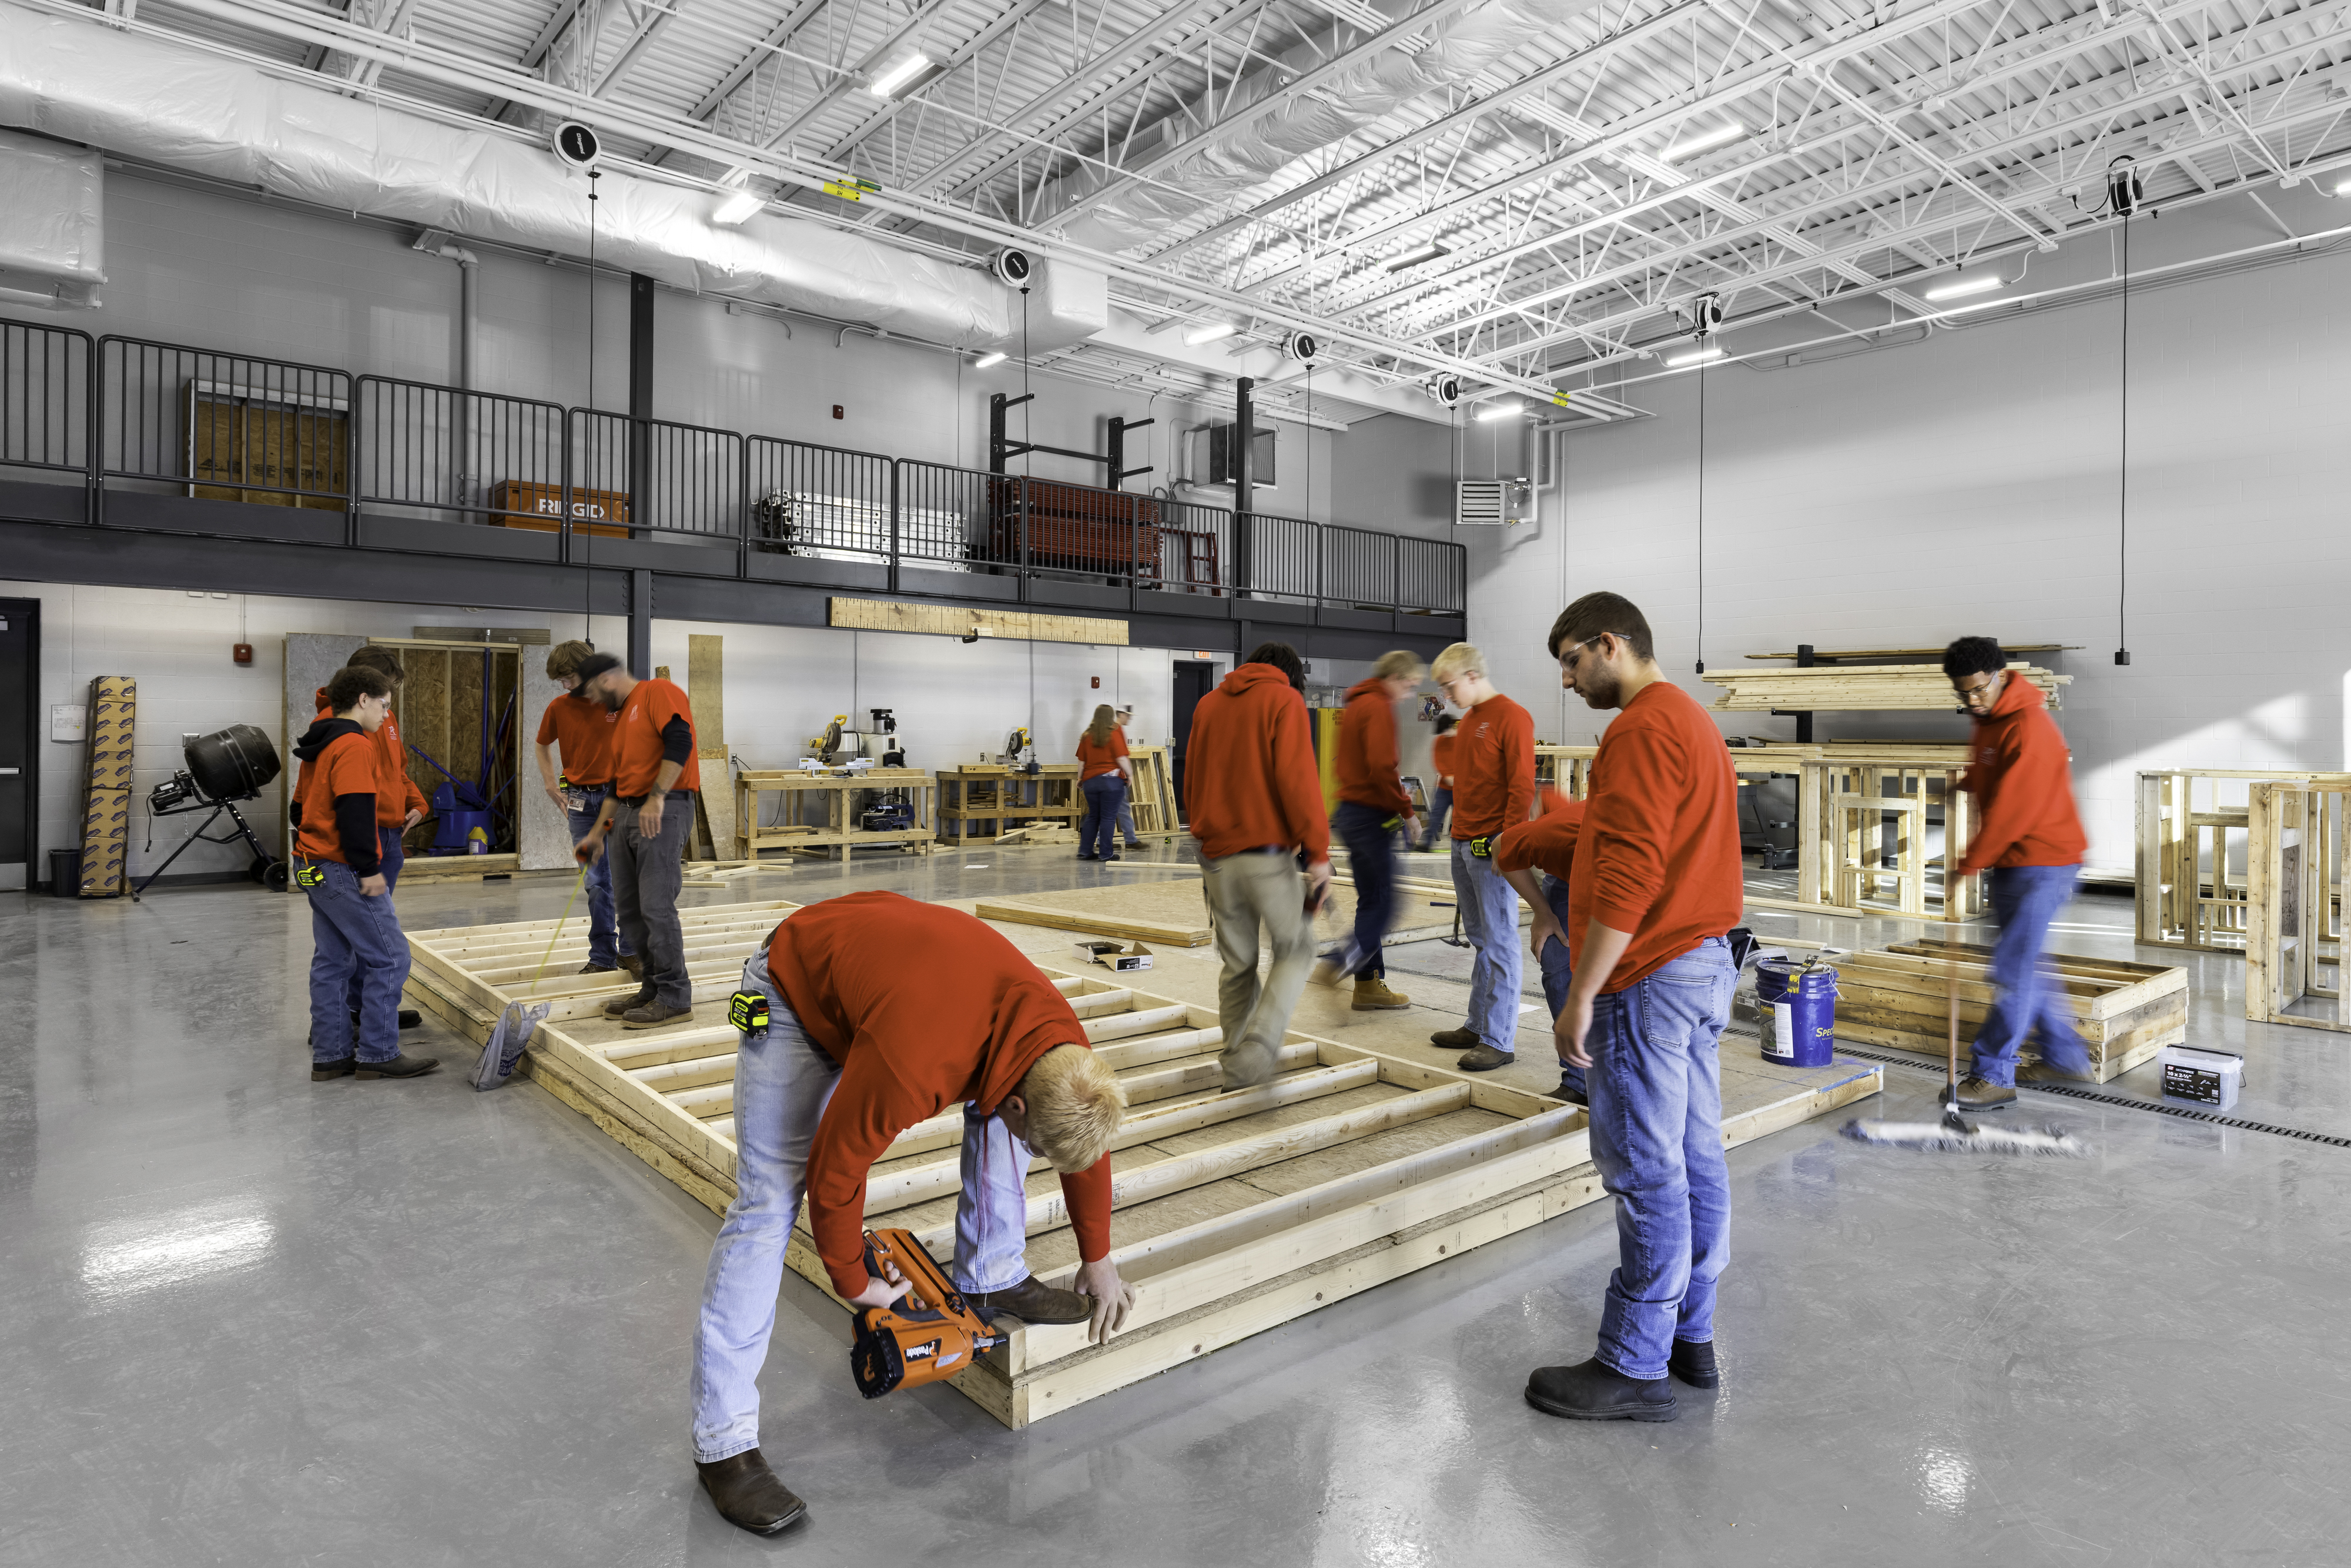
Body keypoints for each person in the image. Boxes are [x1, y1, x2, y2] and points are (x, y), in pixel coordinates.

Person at [692, 893, 1134, 1535]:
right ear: (1016, 1104)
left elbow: (1079, 1141)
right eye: (1033, 1141)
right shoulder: (917, 1061)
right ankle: (723, 1446)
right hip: (794, 992)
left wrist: (1098, 1257)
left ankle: (992, 1270)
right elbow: (836, 1167)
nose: (1038, 1150)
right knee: (768, 1201)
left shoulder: (1058, 1051)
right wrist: (854, 1280)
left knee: (1013, 1115)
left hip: (897, 981)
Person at [1524, 592, 1742, 1424]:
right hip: (1700, 962)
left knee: (1646, 1170)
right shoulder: (1689, 720)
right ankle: (1691, 1333)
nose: (1570, 682)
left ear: (1610, 645)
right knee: (1694, 1157)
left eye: (1574, 662)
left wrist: (1581, 990)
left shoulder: (1642, 729)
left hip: (1649, 973)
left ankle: (1634, 1363)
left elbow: (1629, 873)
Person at [1941, 636, 2095, 1109]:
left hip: (2044, 862)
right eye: (1962, 693)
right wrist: (1964, 786)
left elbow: (2012, 812)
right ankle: (2066, 1057)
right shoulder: (1989, 718)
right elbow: (1992, 769)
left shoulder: (2029, 727)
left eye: (1979, 690)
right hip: (2016, 862)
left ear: (2002, 676)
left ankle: (1993, 1076)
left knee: (2013, 968)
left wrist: (1966, 865)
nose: (1971, 700)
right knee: (2028, 963)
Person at [1184, 642, 1332, 1088]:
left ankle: (1236, 1064)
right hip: (1264, 854)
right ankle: (1260, 1045)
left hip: (1214, 855)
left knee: (1239, 964)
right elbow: (1299, 780)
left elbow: (1190, 780)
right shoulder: (1283, 700)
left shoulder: (1208, 704)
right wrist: (1319, 855)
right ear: (1291, 677)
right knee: (1298, 948)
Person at [289, 665, 437, 1082]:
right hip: (342, 867)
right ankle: (378, 1053)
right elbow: (355, 810)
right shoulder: (355, 744)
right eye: (385, 706)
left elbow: (300, 806)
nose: (386, 716)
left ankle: (332, 1055)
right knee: (390, 957)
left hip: (312, 865)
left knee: (333, 960)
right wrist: (369, 869)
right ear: (364, 700)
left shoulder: (323, 738)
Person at [572, 653, 699, 1031]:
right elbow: (616, 783)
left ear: (608, 678)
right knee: (629, 910)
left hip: (663, 808)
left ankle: (675, 997)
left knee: (657, 906)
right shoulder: (622, 720)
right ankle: (652, 988)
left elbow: (681, 741)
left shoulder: (657, 692)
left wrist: (657, 796)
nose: (593, 700)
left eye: (592, 691)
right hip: (627, 812)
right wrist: (595, 835)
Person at [1427, 643, 1536, 1073]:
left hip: (1489, 845)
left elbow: (1521, 786)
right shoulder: (1470, 718)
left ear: (1472, 675)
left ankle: (1499, 1038)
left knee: (1500, 940)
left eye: (1449, 685)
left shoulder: (1512, 717)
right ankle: (1478, 1025)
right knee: (1479, 938)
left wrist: (1505, 842)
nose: (1447, 695)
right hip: (1462, 840)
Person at [310, 646, 428, 1034]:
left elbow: (397, 770)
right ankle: (340, 1023)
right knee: (355, 938)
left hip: (390, 833)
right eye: (384, 694)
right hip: (362, 838)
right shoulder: (337, 722)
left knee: (369, 933)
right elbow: (325, 791)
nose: (388, 704)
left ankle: (363, 1010)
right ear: (365, 692)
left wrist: (414, 802)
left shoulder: (384, 719)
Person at [1312, 651, 1423, 1010]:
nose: (1408, 694)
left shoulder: (1358, 704)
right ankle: (1339, 961)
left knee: (1372, 900)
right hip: (1370, 815)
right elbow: (1381, 766)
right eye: (1409, 686)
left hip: (1351, 813)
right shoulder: (1377, 706)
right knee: (1387, 903)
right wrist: (1408, 812)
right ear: (1394, 677)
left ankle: (1368, 987)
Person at [535, 639, 636, 979]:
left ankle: (633, 951)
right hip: (579, 801)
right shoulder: (559, 707)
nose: (565, 685)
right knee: (595, 882)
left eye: (568, 677)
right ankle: (603, 956)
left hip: (618, 799)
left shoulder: (615, 704)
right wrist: (551, 783)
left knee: (624, 876)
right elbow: (542, 744)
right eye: (560, 680)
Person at [1493, 790, 1589, 1104]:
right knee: (1558, 962)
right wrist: (1542, 912)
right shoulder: (1560, 835)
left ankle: (1613, 1081)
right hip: (1568, 875)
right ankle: (1579, 1082)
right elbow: (1500, 847)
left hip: (1634, 881)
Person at [1074, 703, 1131, 862]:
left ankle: (1085, 852)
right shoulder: (1113, 734)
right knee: (1108, 818)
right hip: (1111, 782)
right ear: (1111, 717)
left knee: (1094, 816)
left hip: (1090, 782)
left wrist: (1080, 779)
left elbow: (1082, 761)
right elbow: (1121, 758)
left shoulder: (1087, 735)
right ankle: (1106, 854)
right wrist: (1130, 775)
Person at [1419, 713, 1458, 851]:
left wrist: (1456, 777)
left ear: (1451, 726)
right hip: (1443, 788)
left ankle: (1461, 846)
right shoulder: (1439, 741)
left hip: (1460, 789)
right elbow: (1437, 760)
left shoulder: (1461, 740)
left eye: (1446, 731)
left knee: (1462, 819)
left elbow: (1467, 761)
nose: (1444, 734)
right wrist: (1446, 775)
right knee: (1436, 816)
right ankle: (1426, 844)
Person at [1110, 705, 1147, 849]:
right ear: (1121, 714)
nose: (1130, 718)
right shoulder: (1116, 730)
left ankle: (1104, 840)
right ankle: (1130, 840)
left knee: (1115, 809)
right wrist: (1129, 774)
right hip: (1116, 777)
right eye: (1128, 715)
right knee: (1121, 808)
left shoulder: (1115, 729)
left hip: (1113, 776)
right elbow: (1121, 756)